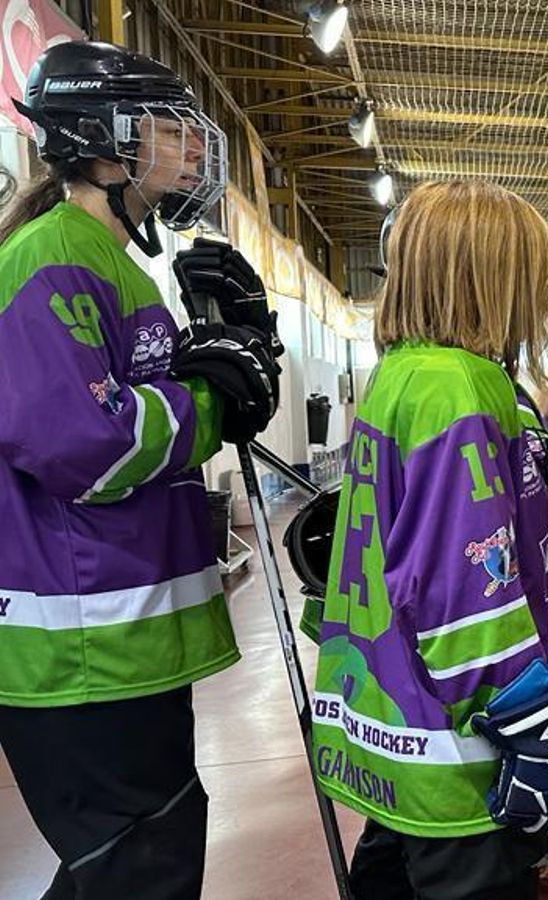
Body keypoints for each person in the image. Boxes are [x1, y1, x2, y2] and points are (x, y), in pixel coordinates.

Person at [0, 41, 279, 899]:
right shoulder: (53, 258)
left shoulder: (112, 261)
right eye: (169, 127)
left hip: (122, 642)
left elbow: (142, 404)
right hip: (80, 648)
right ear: (104, 139)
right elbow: (85, 444)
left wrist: (234, 349)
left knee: (133, 864)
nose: (193, 145)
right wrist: (211, 398)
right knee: (138, 869)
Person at [307, 180, 548, 899]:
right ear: (491, 278)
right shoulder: (460, 386)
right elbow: (465, 587)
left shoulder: (402, 371)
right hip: (457, 750)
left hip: (395, 724)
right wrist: (525, 719)